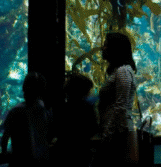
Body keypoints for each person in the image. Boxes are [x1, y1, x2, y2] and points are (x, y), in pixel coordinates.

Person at [96, 32, 139, 163]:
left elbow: (121, 106)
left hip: (118, 133)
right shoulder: (119, 71)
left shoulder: (123, 71)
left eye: (106, 45)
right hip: (116, 132)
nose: (103, 48)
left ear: (115, 48)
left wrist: (106, 135)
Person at [1, 72, 52, 166]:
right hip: (42, 158)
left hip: (20, 159)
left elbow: (5, 136)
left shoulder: (15, 111)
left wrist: (4, 153)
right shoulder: (45, 110)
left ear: (24, 88)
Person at [52, 71, 98, 166]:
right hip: (81, 151)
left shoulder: (61, 108)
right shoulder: (88, 108)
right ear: (85, 91)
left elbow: (55, 130)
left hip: (62, 151)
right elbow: (93, 129)